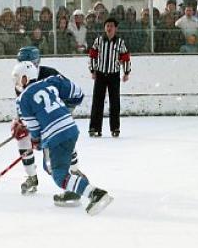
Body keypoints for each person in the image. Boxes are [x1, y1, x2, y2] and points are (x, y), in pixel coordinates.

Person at [12, 61, 113, 214]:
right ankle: (75, 187)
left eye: (19, 78)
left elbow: (34, 128)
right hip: (71, 128)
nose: (17, 82)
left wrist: (36, 142)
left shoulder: (22, 99)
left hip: (55, 136)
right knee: (50, 166)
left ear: (26, 78)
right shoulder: (50, 82)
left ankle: (95, 194)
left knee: (59, 175)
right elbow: (77, 93)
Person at [10, 46, 82, 195]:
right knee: (23, 140)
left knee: (60, 150)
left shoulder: (50, 74)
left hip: (54, 121)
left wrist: (63, 113)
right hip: (37, 121)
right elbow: (22, 105)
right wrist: (20, 122)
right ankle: (31, 178)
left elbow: (69, 93)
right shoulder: (21, 77)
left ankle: (74, 173)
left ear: (36, 62)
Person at [88, 17, 131, 138]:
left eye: (111, 26)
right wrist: (93, 70)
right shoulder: (99, 41)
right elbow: (92, 55)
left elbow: (125, 57)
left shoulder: (120, 42)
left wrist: (126, 72)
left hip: (114, 74)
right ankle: (94, 127)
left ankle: (115, 128)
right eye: (107, 25)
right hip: (100, 74)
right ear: (104, 28)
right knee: (97, 101)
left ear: (116, 28)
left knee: (115, 102)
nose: (109, 28)